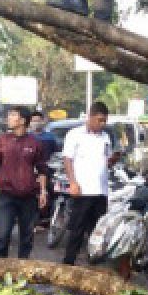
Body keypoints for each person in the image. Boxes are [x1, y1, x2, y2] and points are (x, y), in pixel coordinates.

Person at [61, 102, 119, 265]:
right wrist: (72, 182)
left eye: (105, 121)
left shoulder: (105, 137)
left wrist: (113, 160)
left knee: (98, 231)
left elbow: (106, 162)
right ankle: (68, 263)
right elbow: (68, 159)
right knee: (77, 229)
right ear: (90, 116)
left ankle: (94, 263)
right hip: (83, 190)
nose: (102, 124)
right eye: (100, 120)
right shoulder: (75, 134)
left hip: (101, 191)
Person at [0, 107, 50, 258]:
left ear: (22, 121)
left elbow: (42, 169)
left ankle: (22, 272)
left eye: (12, 115)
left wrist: (43, 192)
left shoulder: (34, 143)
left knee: (26, 238)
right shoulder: (2, 141)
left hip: (28, 197)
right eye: (9, 115)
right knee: (3, 235)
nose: (9, 118)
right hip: (7, 196)